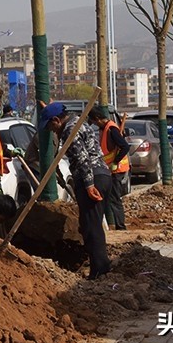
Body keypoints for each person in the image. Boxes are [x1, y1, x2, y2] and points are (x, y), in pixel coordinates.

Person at [41, 102, 112, 279]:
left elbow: (82, 159)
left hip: (92, 177)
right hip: (103, 174)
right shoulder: (79, 122)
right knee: (93, 224)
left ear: (57, 120)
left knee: (90, 227)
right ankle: (100, 267)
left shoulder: (69, 131)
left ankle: (100, 271)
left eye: (51, 126)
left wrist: (89, 186)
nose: (52, 130)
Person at [88, 108, 130, 230]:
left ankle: (121, 226)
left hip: (117, 169)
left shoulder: (112, 129)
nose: (95, 125)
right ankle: (117, 225)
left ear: (97, 119)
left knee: (114, 198)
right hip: (109, 168)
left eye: (94, 122)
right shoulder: (105, 128)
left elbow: (125, 147)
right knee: (111, 197)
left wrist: (116, 162)